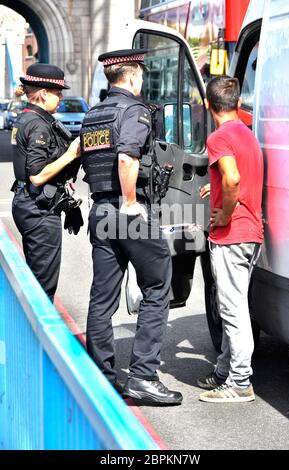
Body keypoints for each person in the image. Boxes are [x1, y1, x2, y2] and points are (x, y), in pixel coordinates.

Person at [80, 49, 182, 405]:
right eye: (140, 75)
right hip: (128, 213)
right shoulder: (135, 109)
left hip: (101, 213)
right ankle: (142, 377)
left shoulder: (94, 115)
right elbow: (126, 155)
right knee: (157, 286)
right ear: (134, 77)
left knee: (101, 298)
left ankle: (99, 379)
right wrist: (130, 202)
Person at [198, 75, 263, 403]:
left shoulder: (219, 138)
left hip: (232, 233)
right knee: (233, 304)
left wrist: (222, 215)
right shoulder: (246, 135)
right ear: (238, 104)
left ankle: (239, 381)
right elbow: (239, 176)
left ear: (208, 105)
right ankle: (225, 369)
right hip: (251, 232)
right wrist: (218, 187)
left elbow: (234, 177)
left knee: (232, 308)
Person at [11, 63, 82, 302]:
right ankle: (39, 337)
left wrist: (61, 177)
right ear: (43, 94)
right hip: (38, 209)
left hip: (28, 202)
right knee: (43, 286)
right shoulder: (39, 124)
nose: (61, 98)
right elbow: (37, 174)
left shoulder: (28, 117)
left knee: (36, 278)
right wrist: (71, 154)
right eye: (57, 93)